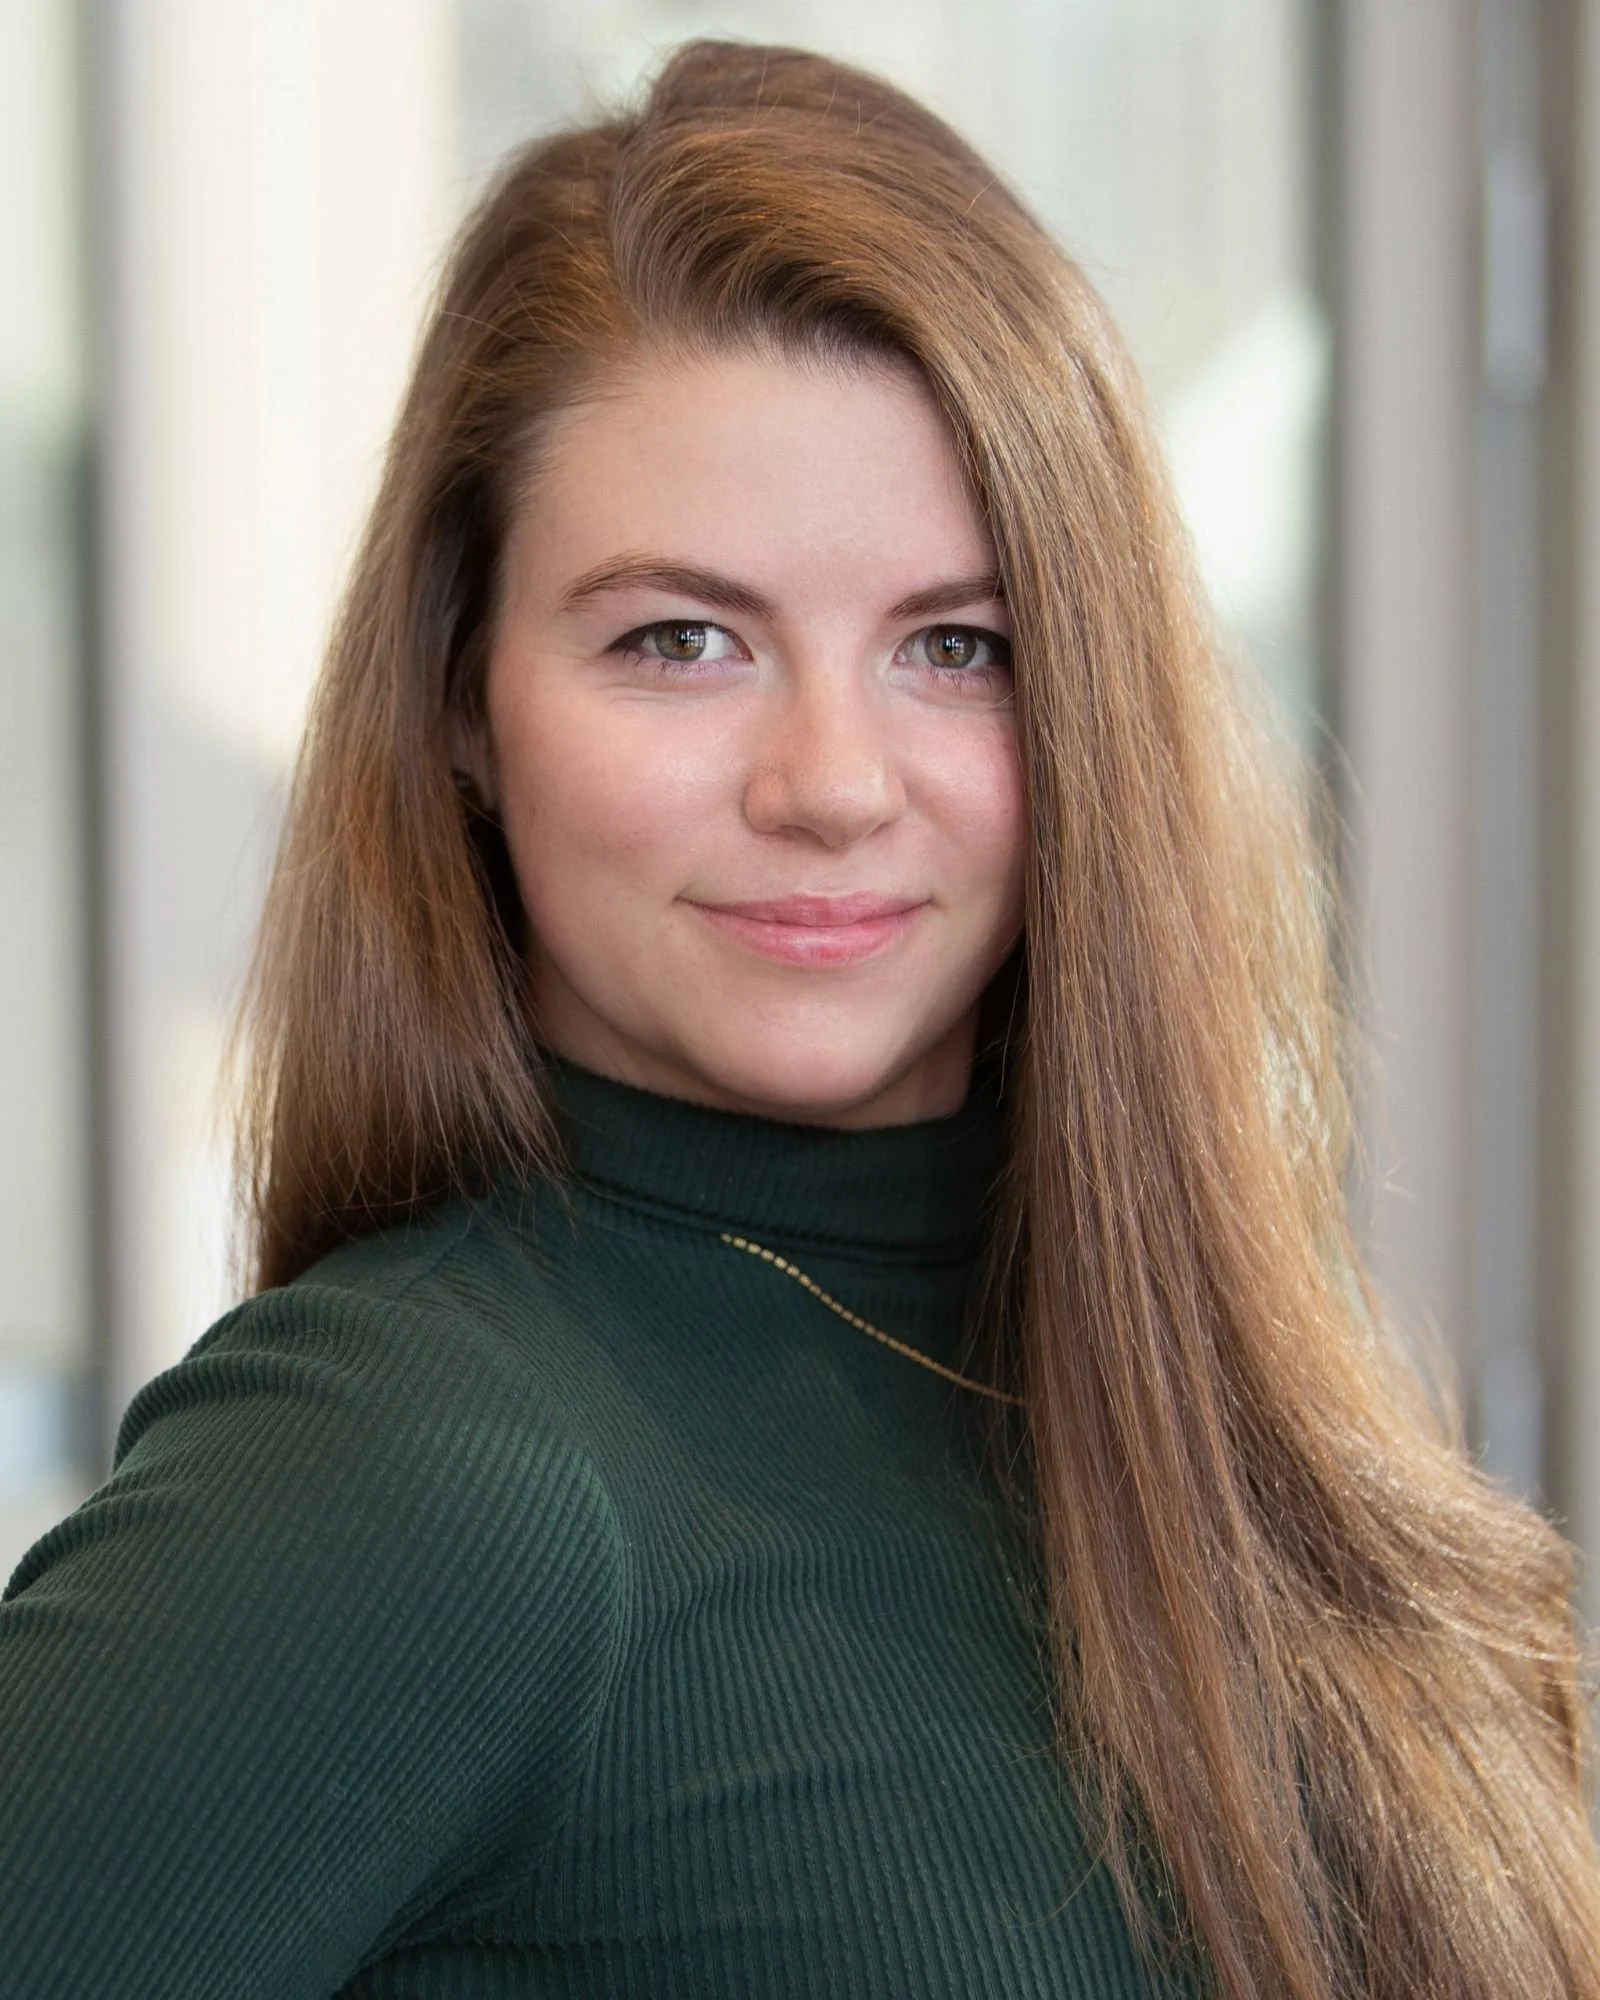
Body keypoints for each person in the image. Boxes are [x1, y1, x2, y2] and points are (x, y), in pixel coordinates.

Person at [3, 37, 1598, 2000]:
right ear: (458, 708)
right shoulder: (410, 1474)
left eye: (956, 646)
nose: (832, 780)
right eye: (679, 641)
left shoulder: (1211, 1392)